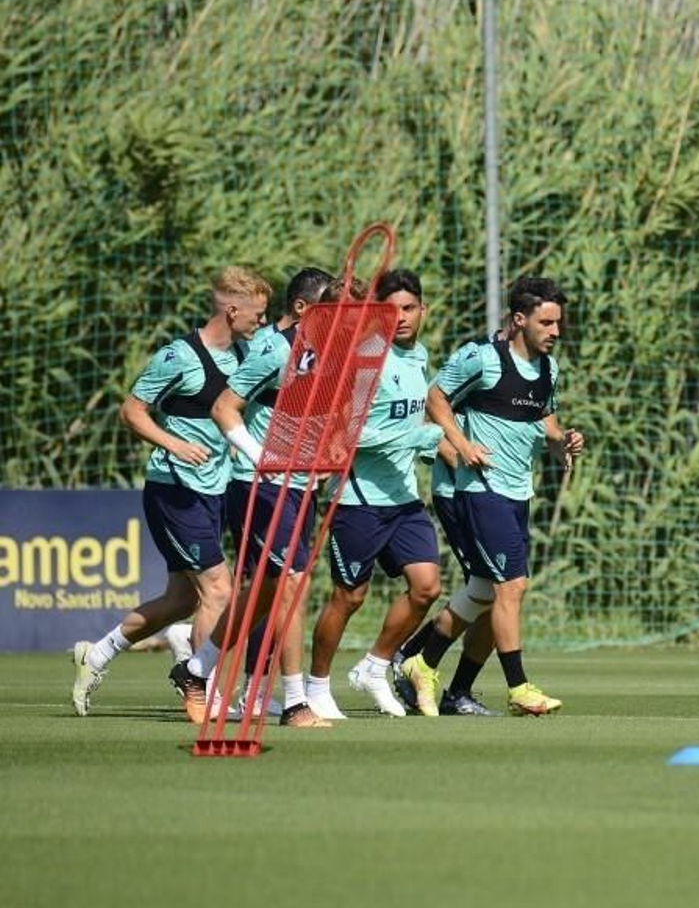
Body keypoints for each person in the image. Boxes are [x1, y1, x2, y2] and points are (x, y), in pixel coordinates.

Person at [71, 267, 271, 716]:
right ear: (232, 310)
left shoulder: (247, 354)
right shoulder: (179, 356)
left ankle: (97, 654)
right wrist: (176, 444)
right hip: (174, 488)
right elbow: (132, 411)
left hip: (215, 489)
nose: (261, 321)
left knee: (182, 599)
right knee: (218, 589)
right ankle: (203, 691)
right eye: (256, 314)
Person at [398, 277, 583, 718]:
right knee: (509, 587)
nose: (556, 331)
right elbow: (435, 398)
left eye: (559, 322)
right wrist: (461, 445)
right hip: (477, 488)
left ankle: (423, 664)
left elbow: (544, 420)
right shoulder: (482, 358)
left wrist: (562, 441)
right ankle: (518, 686)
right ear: (519, 320)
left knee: (485, 590)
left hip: (518, 488)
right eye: (547, 322)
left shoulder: (547, 368)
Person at [190, 266, 337, 729]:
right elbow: (223, 408)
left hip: (301, 487)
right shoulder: (274, 351)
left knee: (269, 591)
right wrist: (262, 459)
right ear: (302, 309)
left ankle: (196, 669)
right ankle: (295, 702)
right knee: (289, 585)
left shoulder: (327, 353)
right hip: (262, 485)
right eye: (330, 311)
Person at [304, 268, 444, 719]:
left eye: (408, 308)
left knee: (426, 587)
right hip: (358, 497)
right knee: (349, 597)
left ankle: (373, 666)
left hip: (403, 500)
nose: (400, 318)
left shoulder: (418, 357)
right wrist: (419, 439)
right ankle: (315, 685)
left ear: (423, 311)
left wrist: (422, 448)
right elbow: (348, 438)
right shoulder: (367, 358)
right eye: (391, 310)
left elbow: (405, 423)